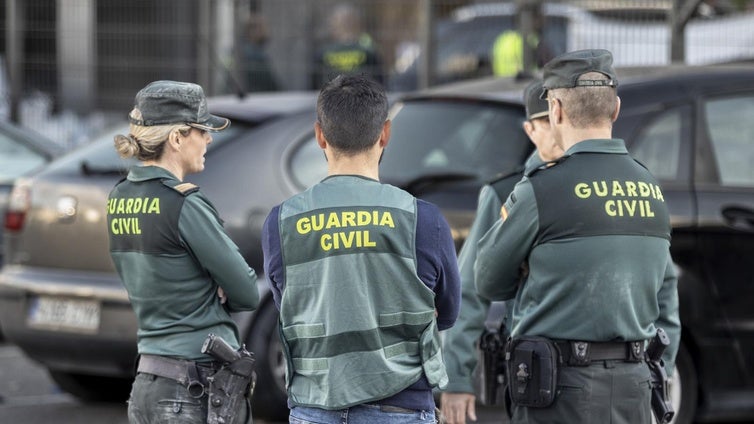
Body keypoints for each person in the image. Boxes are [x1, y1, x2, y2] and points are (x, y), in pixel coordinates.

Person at [475, 49, 681, 424]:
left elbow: (487, 279)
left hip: (556, 391)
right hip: (634, 385)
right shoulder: (651, 187)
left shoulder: (542, 189)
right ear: (616, 109)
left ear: (555, 111)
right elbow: (663, 289)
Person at [261, 75, 461, 423]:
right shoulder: (422, 219)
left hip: (315, 406)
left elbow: (288, 305)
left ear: (319, 135)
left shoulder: (282, 222)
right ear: (385, 133)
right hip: (401, 406)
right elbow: (448, 312)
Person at [107, 80, 259, 424]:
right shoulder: (184, 203)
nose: (208, 139)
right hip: (194, 388)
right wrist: (214, 289)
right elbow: (247, 291)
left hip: (148, 382)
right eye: (201, 131)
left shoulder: (119, 197)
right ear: (176, 138)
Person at [440, 79, 563, 424]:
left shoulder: (594, 186)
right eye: (545, 123)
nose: (556, 132)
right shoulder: (507, 192)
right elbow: (468, 290)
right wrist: (459, 377)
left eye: (560, 121)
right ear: (530, 129)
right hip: (536, 366)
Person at [311, 3, 383, 89]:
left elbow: (314, 83)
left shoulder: (322, 52)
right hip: (362, 98)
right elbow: (379, 80)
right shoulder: (369, 51)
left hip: (331, 98)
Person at [241, 13, 279, 92]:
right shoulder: (253, 56)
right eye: (262, 27)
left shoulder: (257, 53)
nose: (266, 30)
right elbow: (271, 85)